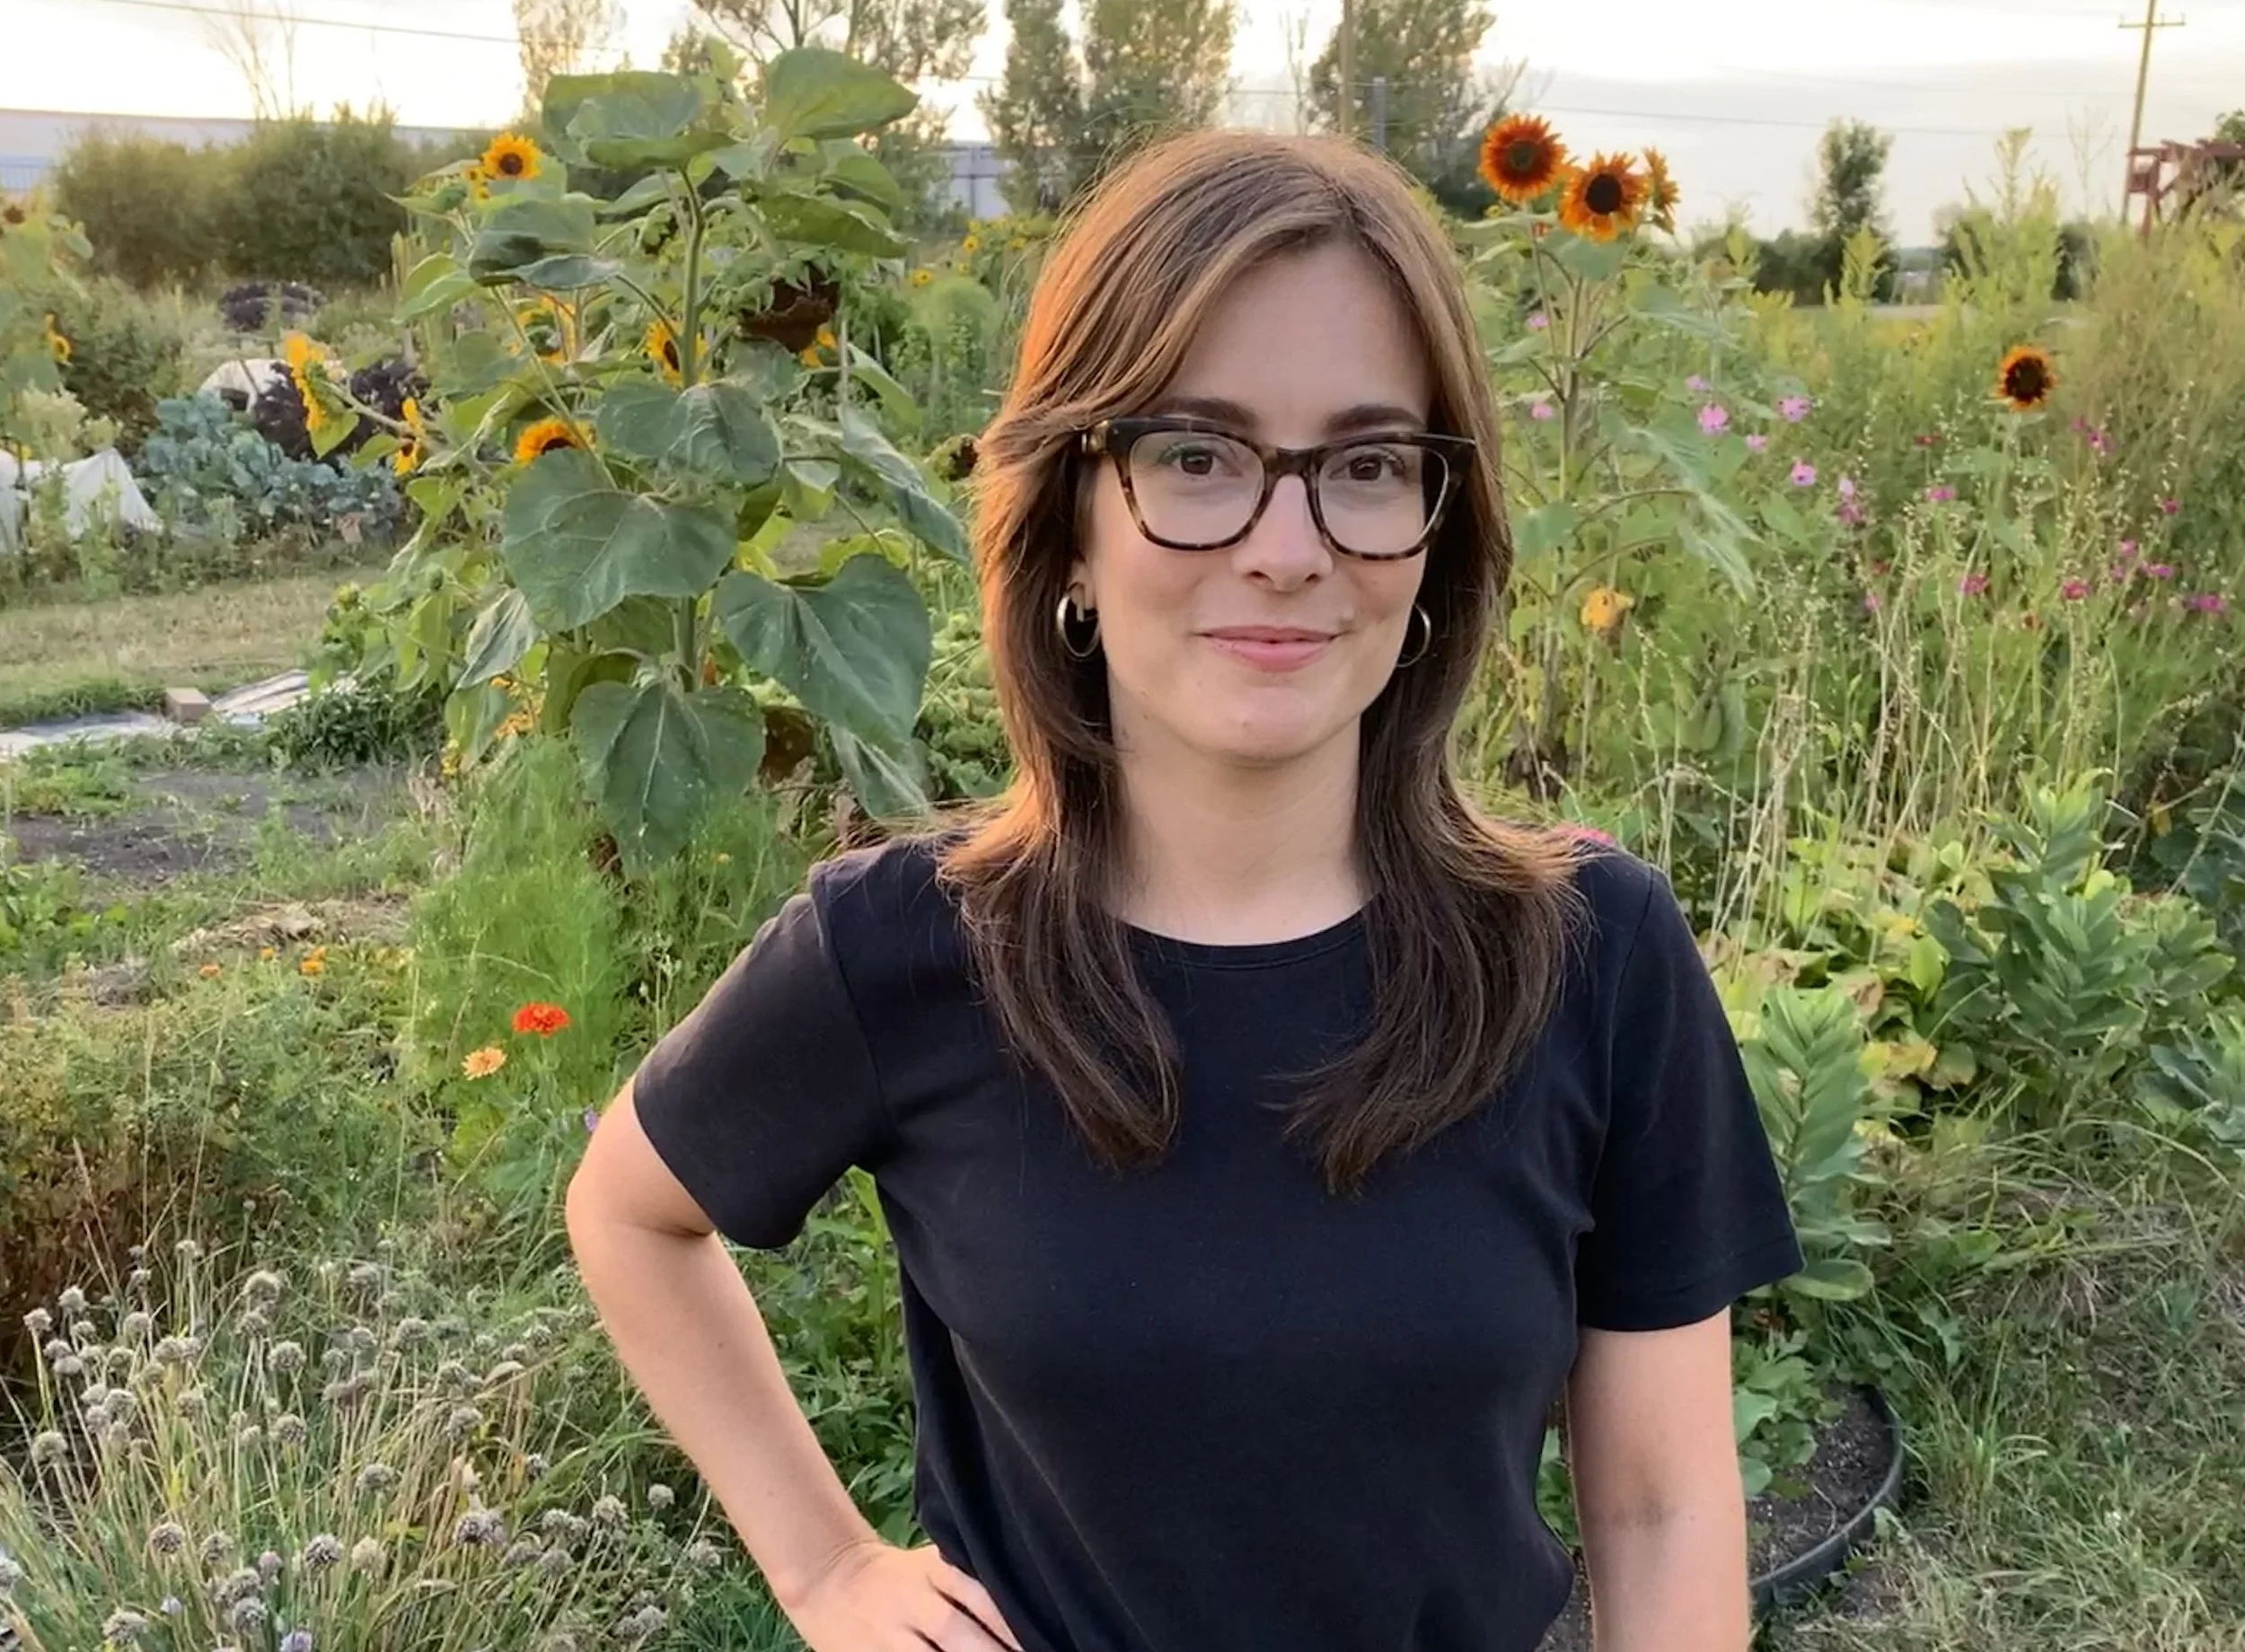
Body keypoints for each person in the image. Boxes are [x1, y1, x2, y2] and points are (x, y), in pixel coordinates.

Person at [566, 128, 1803, 1652]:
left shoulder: (1593, 959)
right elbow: (628, 1210)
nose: (1288, 549)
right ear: (1072, 519)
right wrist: (827, 1569)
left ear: (1438, 523)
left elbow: (1663, 1508)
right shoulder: (906, 951)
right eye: (1197, 456)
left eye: (1365, 465)